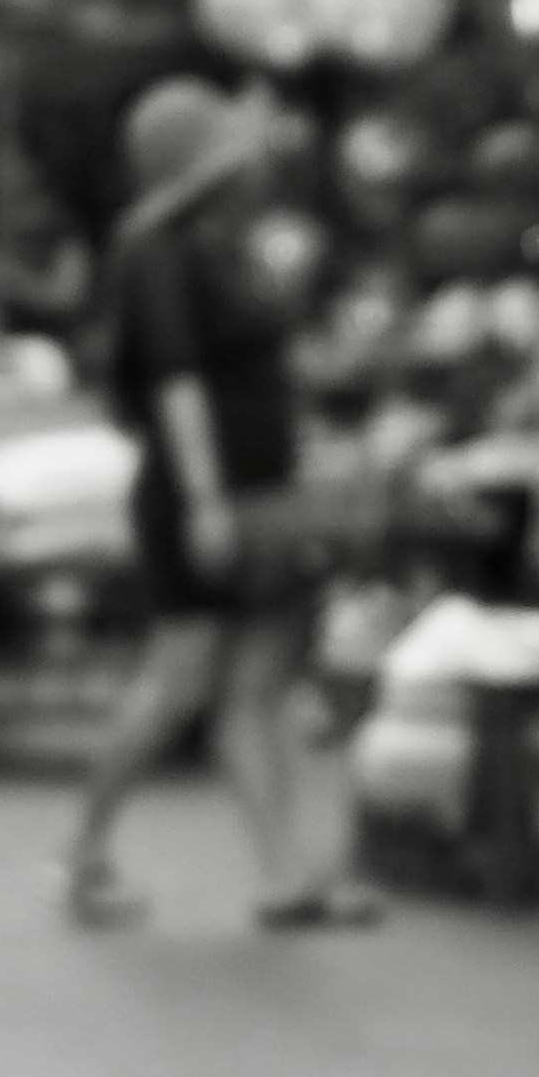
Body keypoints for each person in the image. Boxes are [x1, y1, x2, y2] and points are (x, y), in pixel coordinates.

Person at [58, 76, 368, 931]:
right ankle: (84, 851)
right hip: (199, 497)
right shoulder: (154, 250)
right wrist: (203, 501)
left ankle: (285, 874)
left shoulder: (213, 243)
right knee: (177, 679)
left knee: (251, 689)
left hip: (250, 494)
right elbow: (177, 382)